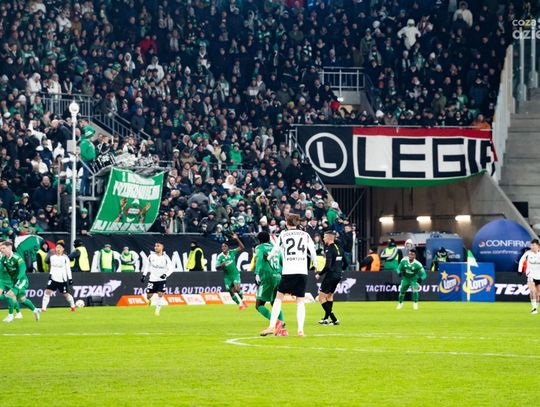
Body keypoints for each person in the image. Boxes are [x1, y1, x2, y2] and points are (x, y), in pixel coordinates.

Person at [260, 214, 317, 337]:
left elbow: (275, 250)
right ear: (297, 223)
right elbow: (312, 251)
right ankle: (300, 330)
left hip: (288, 271)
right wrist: (315, 265)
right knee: (300, 301)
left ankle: (271, 326)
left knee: (278, 299)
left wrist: (268, 257)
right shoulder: (305, 235)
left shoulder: (284, 234)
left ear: (287, 223)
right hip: (302, 271)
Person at [253, 231, 287, 336]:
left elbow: (259, 259)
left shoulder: (259, 247)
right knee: (275, 303)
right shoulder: (276, 248)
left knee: (259, 305)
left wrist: (256, 273)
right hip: (278, 276)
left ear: (259, 240)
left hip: (267, 277)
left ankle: (277, 322)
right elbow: (282, 262)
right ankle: (283, 330)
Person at [0, 240, 41, 322]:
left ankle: (10, 316)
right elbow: (0, 269)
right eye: (1, 248)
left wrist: (18, 278)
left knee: (9, 295)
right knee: (22, 299)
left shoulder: (16, 257)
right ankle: (35, 310)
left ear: (9, 248)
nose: (1, 250)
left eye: (3, 248)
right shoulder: (3, 259)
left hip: (21, 280)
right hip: (13, 281)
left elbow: (23, 268)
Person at [316, 230, 348, 325]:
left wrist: (319, 274)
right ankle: (326, 318)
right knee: (329, 296)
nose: (323, 238)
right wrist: (341, 270)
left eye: (324, 237)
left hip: (330, 275)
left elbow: (328, 266)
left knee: (321, 298)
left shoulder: (329, 249)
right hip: (338, 275)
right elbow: (346, 263)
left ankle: (334, 319)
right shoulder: (339, 248)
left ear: (329, 238)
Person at [41, 240, 76, 312]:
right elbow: (52, 267)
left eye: (60, 247)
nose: (58, 249)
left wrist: (70, 279)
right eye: (57, 247)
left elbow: (68, 269)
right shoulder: (52, 257)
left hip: (62, 280)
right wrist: (50, 275)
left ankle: (73, 306)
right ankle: (43, 309)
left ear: (63, 249)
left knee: (66, 294)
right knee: (47, 292)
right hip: (53, 278)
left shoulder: (65, 258)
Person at [141, 242, 173, 316]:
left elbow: (171, 268)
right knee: (148, 296)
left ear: (162, 247)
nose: (156, 247)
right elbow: (147, 266)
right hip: (152, 279)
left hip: (161, 280)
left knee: (160, 294)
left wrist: (165, 275)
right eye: (155, 246)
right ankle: (149, 301)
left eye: (158, 246)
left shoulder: (166, 257)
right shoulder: (151, 256)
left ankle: (157, 311)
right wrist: (144, 275)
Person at [216, 233, 248, 310]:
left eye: (225, 246)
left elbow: (242, 247)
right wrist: (221, 266)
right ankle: (240, 304)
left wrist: (237, 238)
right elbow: (217, 267)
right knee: (231, 291)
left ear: (228, 247)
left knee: (237, 289)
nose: (223, 248)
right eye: (222, 246)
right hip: (227, 277)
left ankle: (243, 300)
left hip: (235, 274)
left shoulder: (232, 252)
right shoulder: (220, 257)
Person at [518, 238, 540, 314]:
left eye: (534, 245)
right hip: (531, 275)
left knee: (538, 293)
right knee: (532, 291)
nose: (532, 247)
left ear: (538, 246)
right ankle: (534, 308)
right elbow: (521, 260)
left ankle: (536, 307)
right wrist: (520, 270)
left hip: (539, 275)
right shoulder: (528, 253)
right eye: (531, 245)